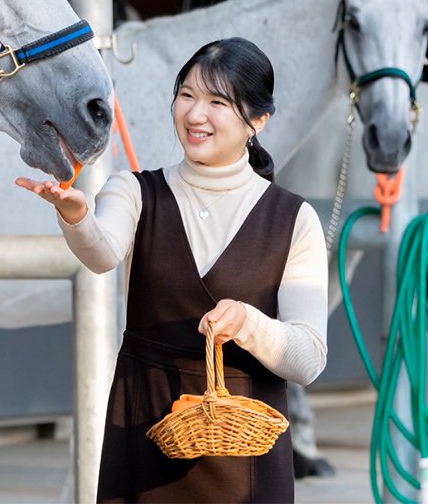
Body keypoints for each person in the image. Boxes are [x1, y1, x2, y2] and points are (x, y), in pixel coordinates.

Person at [16, 37, 328, 503]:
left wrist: (248, 323)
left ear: (257, 121)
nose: (195, 114)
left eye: (217, 102)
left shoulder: (293, 218)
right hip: (141, 428)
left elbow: (307, 360)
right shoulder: (135, 191)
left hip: (246, 457)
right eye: (186, 95)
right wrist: (77, 216)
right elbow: (101, 253)